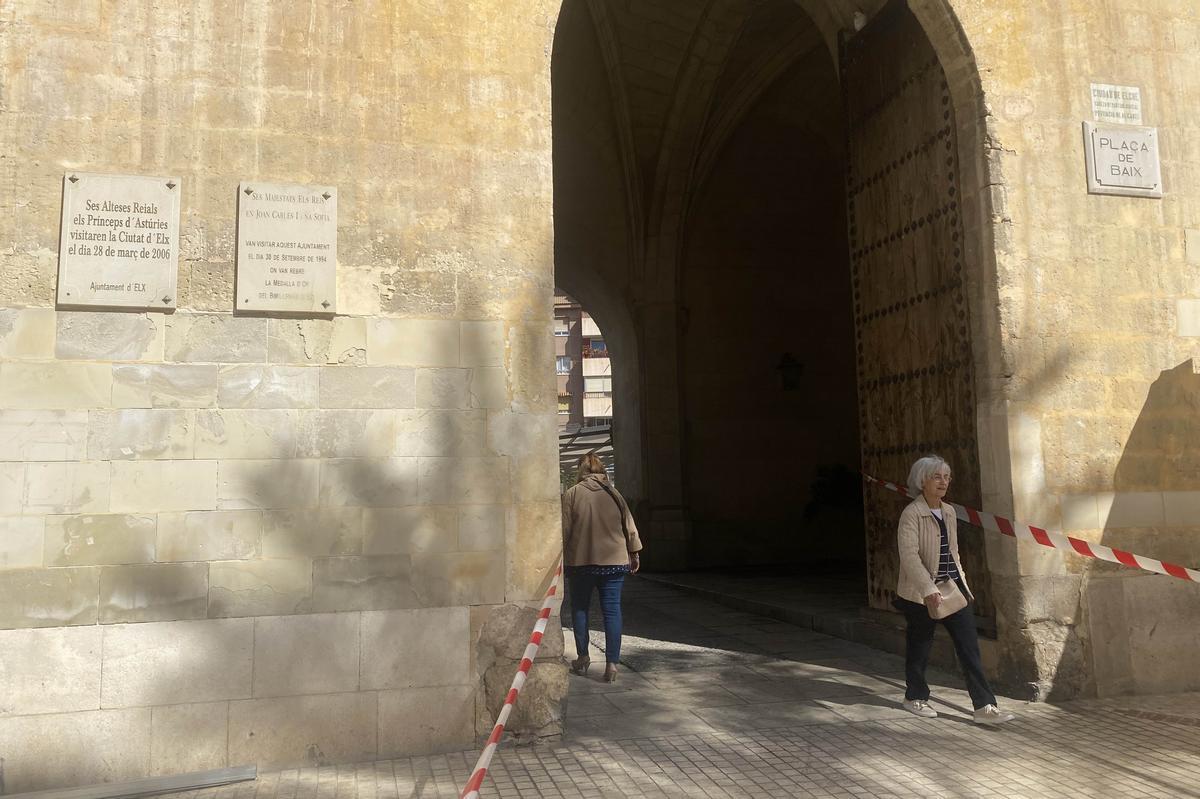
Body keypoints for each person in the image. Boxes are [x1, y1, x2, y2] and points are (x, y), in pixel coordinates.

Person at [894, 455, 1015, 725]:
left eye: (946, 477)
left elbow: (953, 551)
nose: (943, 482)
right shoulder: (911, 513)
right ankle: (914, 696)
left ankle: (984, 706)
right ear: (921, 480)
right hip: (920, 592)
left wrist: (963, 582)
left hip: (952, 587)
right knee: (920, 645)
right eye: (937, 477)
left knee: (968, 645)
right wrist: (927, 588)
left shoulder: (948, 511)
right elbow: (909, 556)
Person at [561, 453, 642, 683]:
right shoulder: (614, 494)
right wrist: (634, 552)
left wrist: (560, 557)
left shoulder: (572, 494)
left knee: (580, 608)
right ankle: (612, 664)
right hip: (614, 562)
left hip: (581, 562)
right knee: (612, 611)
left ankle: (583, 657)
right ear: (601, 469)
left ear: (581, 470)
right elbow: (629, 525)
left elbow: (564, 530)